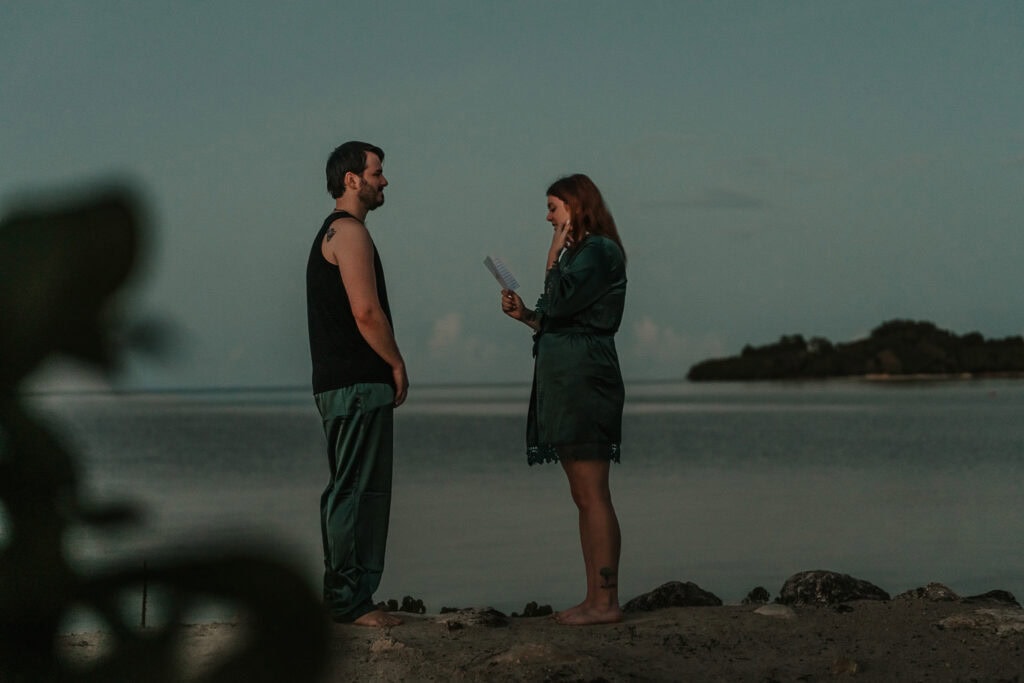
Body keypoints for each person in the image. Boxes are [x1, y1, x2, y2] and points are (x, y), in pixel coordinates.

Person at [500, 173, 627, 625]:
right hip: (568, 381)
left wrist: (553, 252)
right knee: (583, 495)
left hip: (586, 381)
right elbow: (556, 316)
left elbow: (562, 299)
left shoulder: (597, 251)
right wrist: (527, 317)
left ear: (575, 207)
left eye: (554, 207)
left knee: (594, 493)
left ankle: (606, 601)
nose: (549, 216)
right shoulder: (583, 254)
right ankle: (594, 597)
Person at [306, 141, 409, 627]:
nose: (384, 181)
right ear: (352, 179)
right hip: (356, 384)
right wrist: (397, 363)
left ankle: (350, 596)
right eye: (377, 172)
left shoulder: (336, 233)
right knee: (356, 491)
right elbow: (365, 312)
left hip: (340, 385)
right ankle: (349, 601)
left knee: (352, 490)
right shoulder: (349, 234)